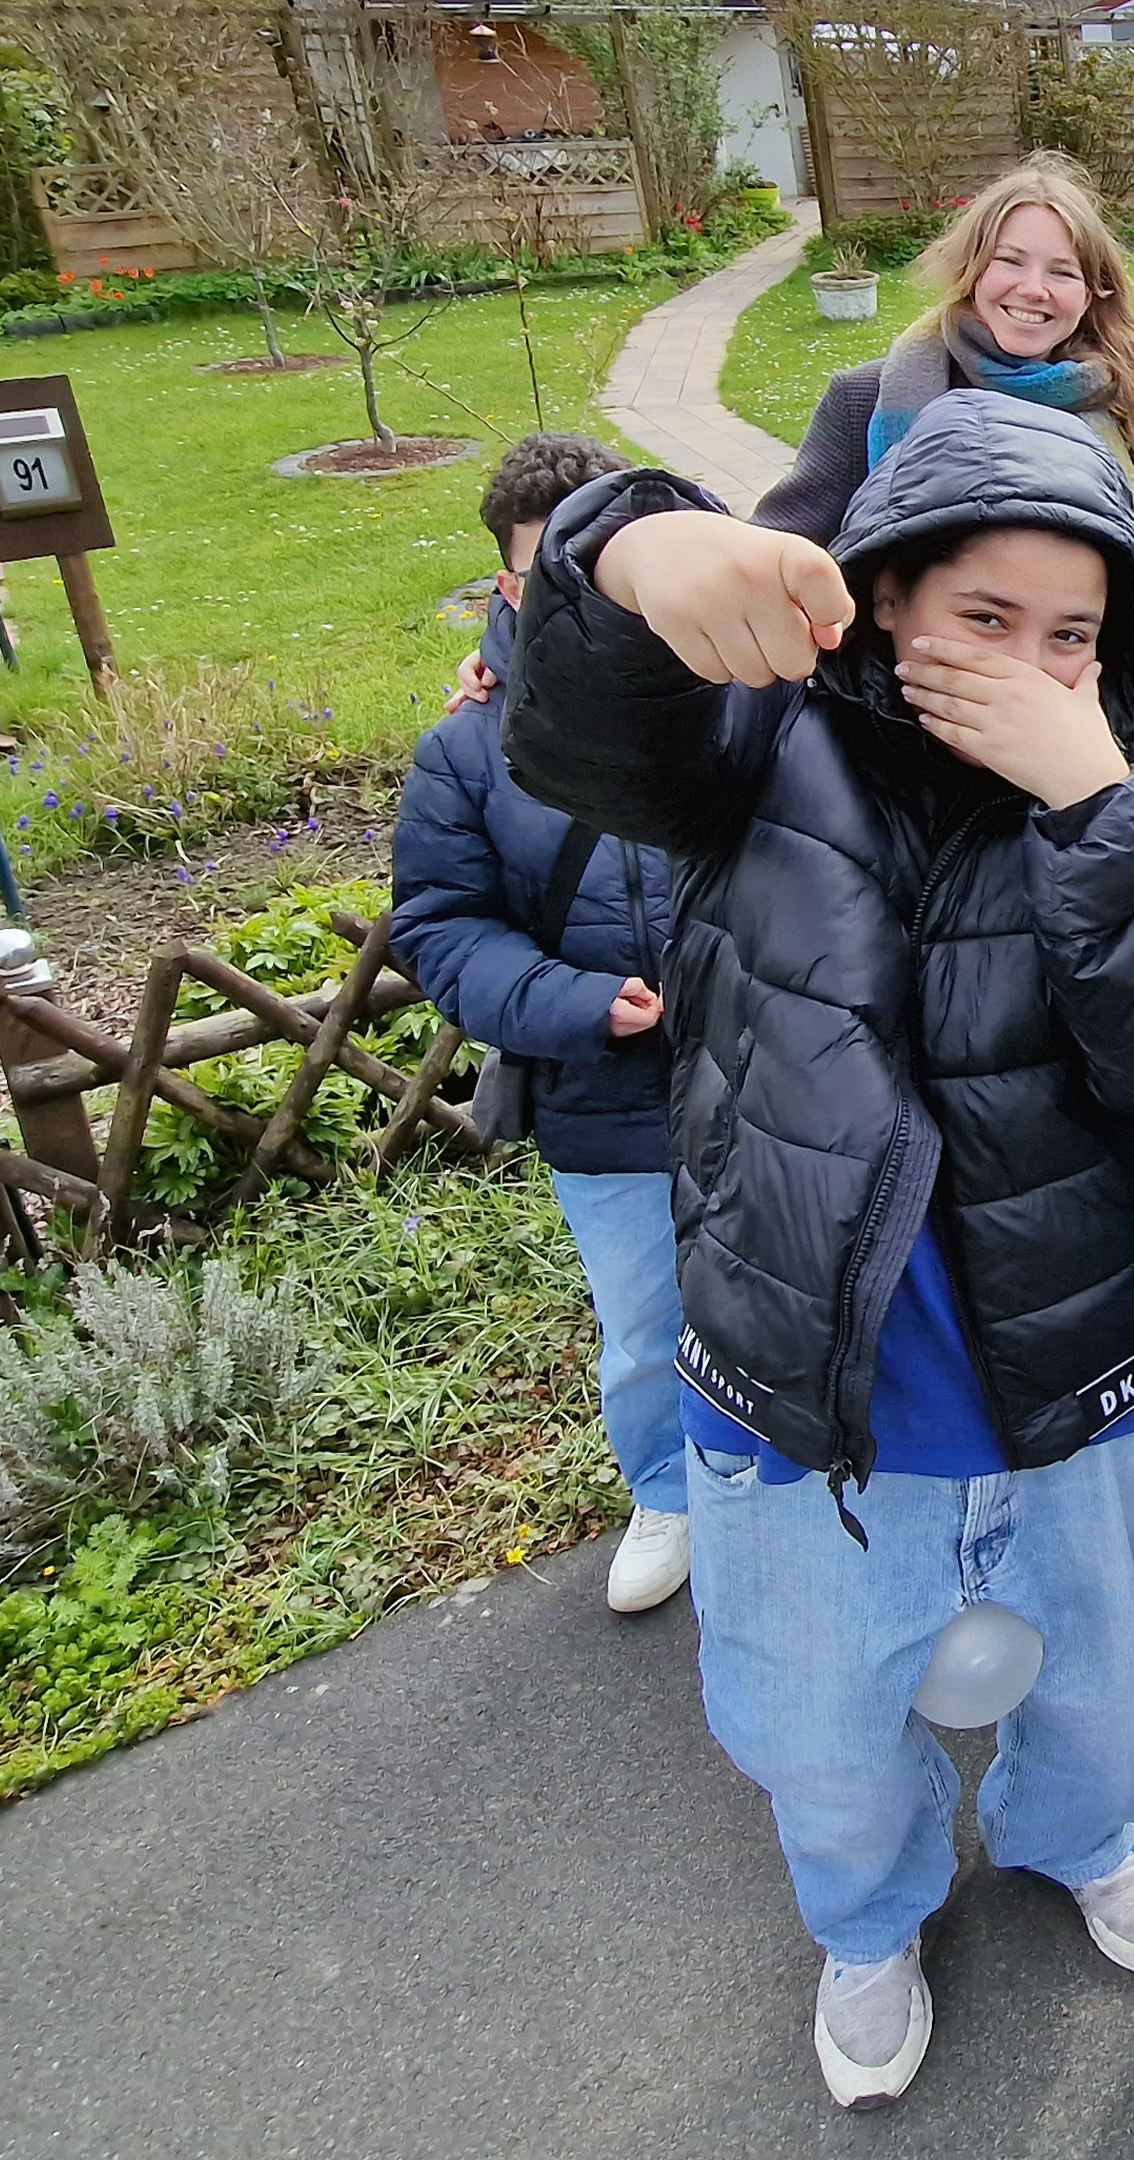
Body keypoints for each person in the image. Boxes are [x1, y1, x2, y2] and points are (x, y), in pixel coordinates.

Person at [505, 391, 1134, 2108]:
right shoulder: (760, 755)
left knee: (1090, 1662)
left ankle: (1074, 1832)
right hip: (811, 1383)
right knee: (825, 1720)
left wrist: (1096, 817)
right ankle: (866, 1916)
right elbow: (584, 731)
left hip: (1073, 1366)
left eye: (1073, 637)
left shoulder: (1124, 793)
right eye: (983, 618)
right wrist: (632, 541)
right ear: (887, 598)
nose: (1028, 665)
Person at [390, 432, 688, 1616]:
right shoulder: (468, 748)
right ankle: (669, 1491)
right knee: (645, 1323)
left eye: (608, 554)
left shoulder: (738, 693)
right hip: (605, 1101)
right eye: (549, 565)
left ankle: (797, 1475)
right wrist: (576, 1004)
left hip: (769, 1079)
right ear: (510, 587)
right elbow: (443, 923)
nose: (584, 582)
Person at [756, 155, 1134, 546]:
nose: (1033, 289)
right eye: (1010, 261)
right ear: (971, 272)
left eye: (1062, 272)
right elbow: (774, 555)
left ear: (1090, 296)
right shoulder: (862, 400)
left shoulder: (1127, 409)